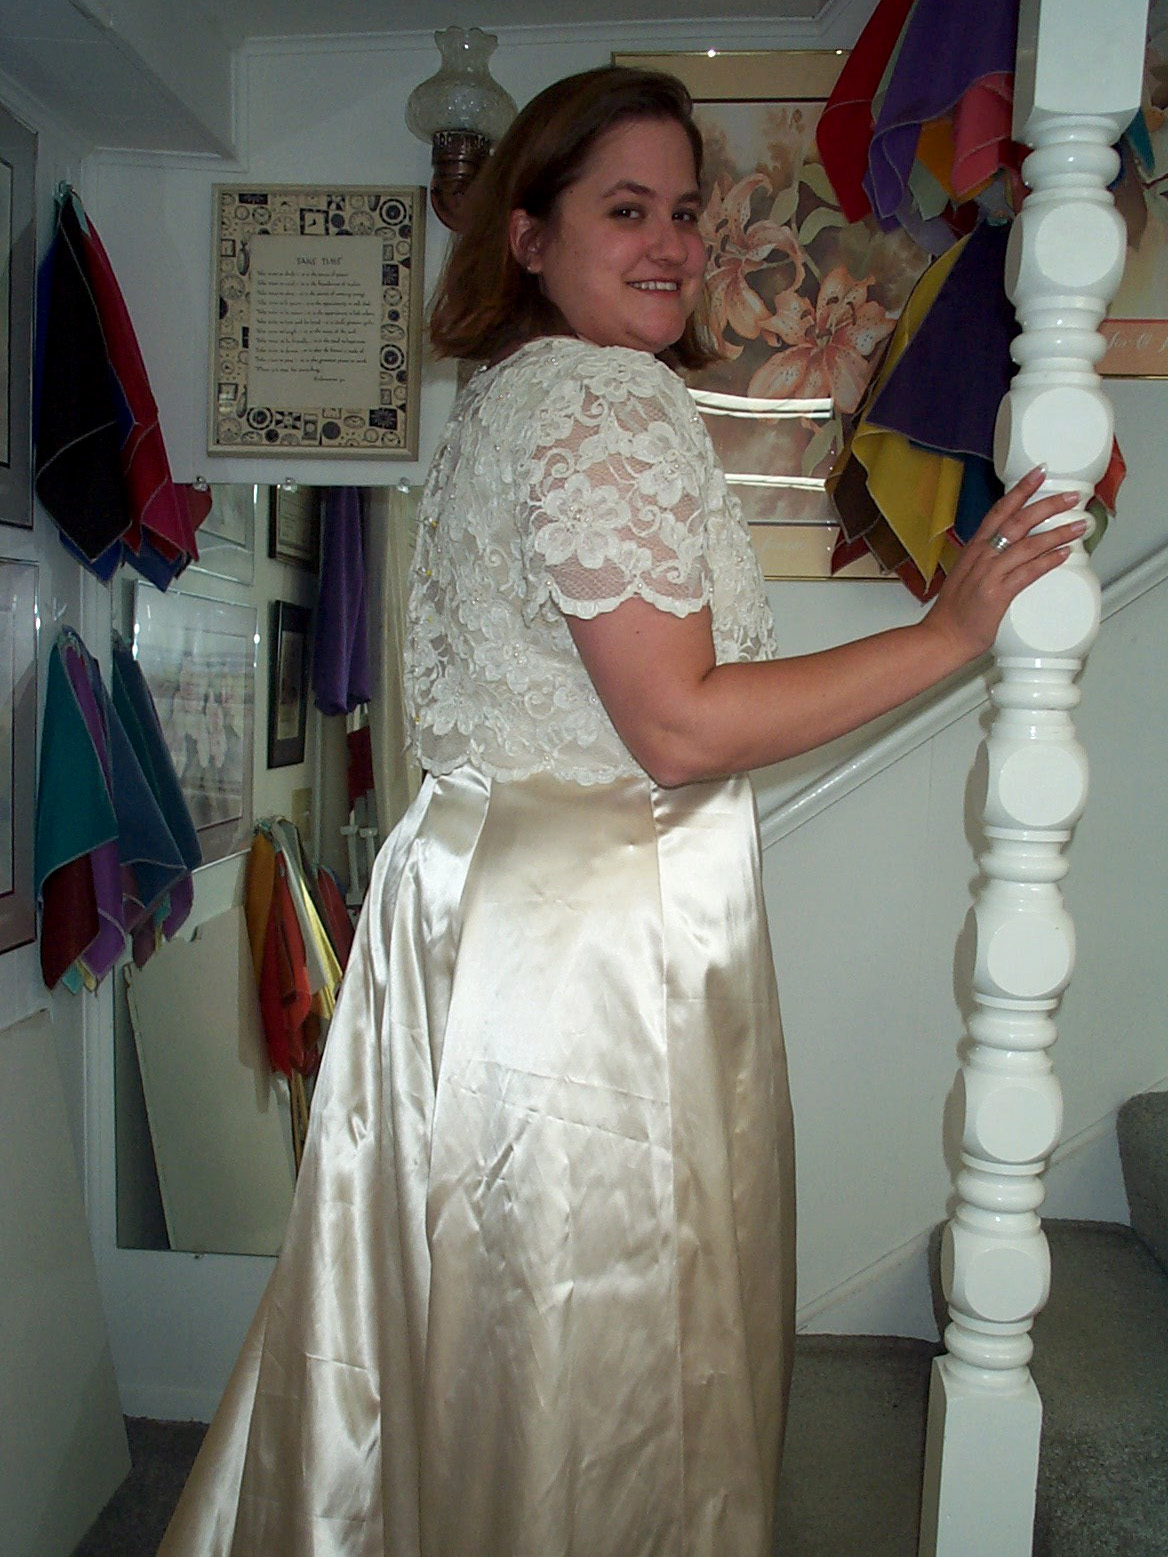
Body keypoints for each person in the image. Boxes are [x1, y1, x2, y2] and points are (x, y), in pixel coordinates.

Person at [159, 66, 1084, 1557]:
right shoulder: (597, 399)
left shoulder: (511, 397)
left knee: (471, 1326)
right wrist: (947, 635)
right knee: (602, 1355)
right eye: (626, 210)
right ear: (529, 235)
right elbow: (678, 724)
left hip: (492, 901)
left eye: (687, 213)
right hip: (585, 950)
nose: (672, 244)